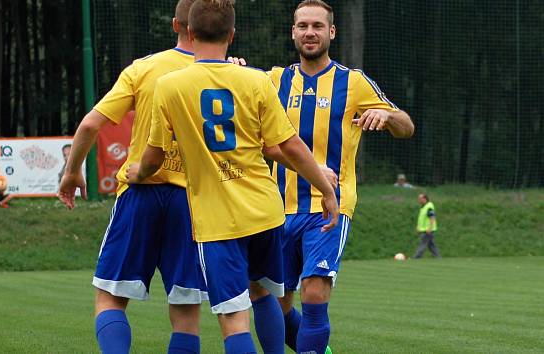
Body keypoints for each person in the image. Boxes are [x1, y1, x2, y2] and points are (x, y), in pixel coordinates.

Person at [125, 1, 339, 353]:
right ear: (232, 35)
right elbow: (289, 145)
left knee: (233, 319)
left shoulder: (169, 86)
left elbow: (155, 154)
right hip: (265, 211)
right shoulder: (255, 80)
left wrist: (138, 173)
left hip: (218, 219)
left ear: (189, 33)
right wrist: (323, 188)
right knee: (263, 293)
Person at [259, 1, 415, 352]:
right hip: (276, 208)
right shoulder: (272, 81)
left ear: (331, 32)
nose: (309, 32)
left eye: (317, 25)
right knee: (276, 307)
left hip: (329, 207)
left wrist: (386, 116)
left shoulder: (353, 82)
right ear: (293, 32)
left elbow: (407, 126)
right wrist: (234, 67)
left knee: (314, 292)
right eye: (302, 26)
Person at [57, 1, 208, 353]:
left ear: (175, 25)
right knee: (186, 313)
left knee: (109, 298)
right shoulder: (224, 73)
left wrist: (71, 171)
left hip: (140, 193)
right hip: (192, 202)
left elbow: (92, 123)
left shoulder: (144, 69)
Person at [413, 193, 440, 258]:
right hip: (424, 229)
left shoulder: (429, 206)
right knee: (431, 245)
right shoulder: (423, 207)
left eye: (420, 199)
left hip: (427, 230)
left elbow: (432, 217)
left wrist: (429, 228)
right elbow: (422, 219)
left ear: (424, 199)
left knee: (423, 243)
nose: (418, 200)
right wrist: (418, 226)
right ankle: (438, 257)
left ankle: (416, 257)